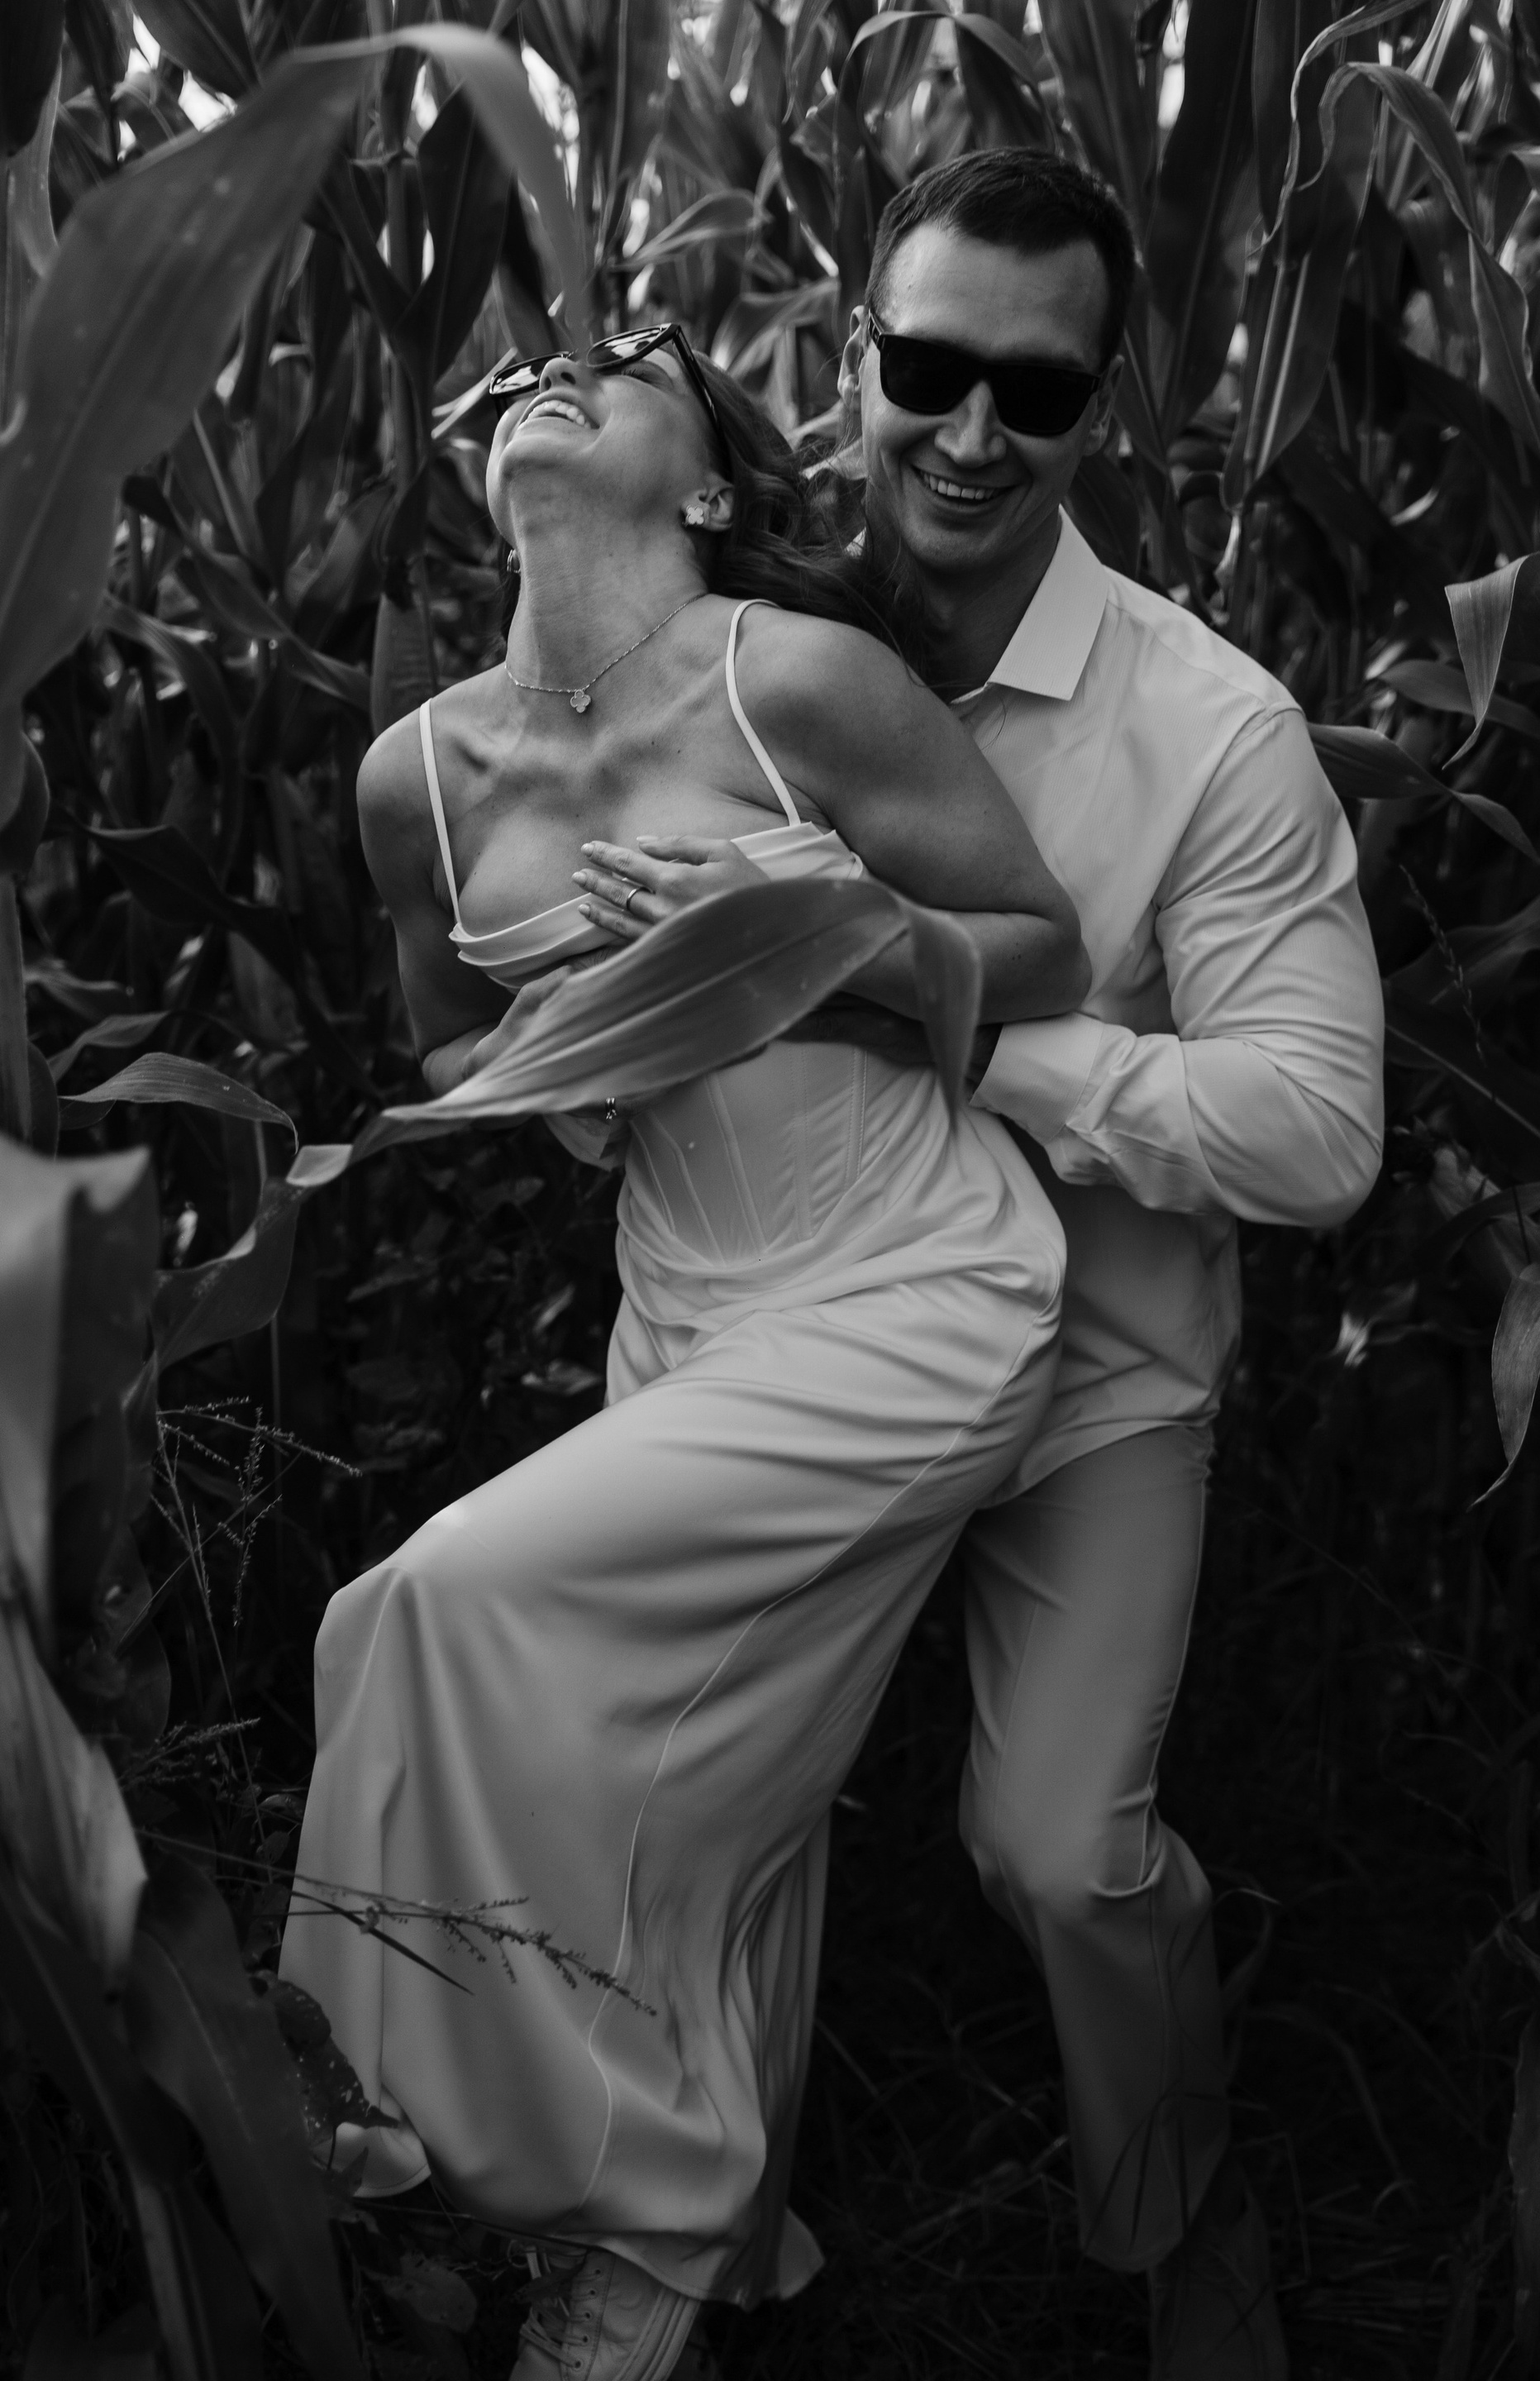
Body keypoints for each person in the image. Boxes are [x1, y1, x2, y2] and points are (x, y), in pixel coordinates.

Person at [589, 155, 1385, 2379]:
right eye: (927, 367)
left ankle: (1172, 2207)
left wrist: (931, 1010)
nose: (967, 432)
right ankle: (696, 2246)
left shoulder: (1208, 733)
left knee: (1057, 1850)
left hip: (1087, 1371)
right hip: (762, 1329)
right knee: (684, 1810)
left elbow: (1317, 1129)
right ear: (852, 354)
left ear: (1102, 405)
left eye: (1031, 391)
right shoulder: (713, 642)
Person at [280, 324, 1093, 2381]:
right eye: (520, 372)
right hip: (686, 1311)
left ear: (712, 486)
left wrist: (816, 934)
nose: (548, 371)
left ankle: (432, 2174)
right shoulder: (415, 779)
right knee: (725, 1789)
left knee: (417, 1611)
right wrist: (564, 1056)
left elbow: (1040, 946)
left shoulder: (788, 678)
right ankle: (660, 2262)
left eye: (620, 356)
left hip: (910, 1284)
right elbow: (446, 1046)